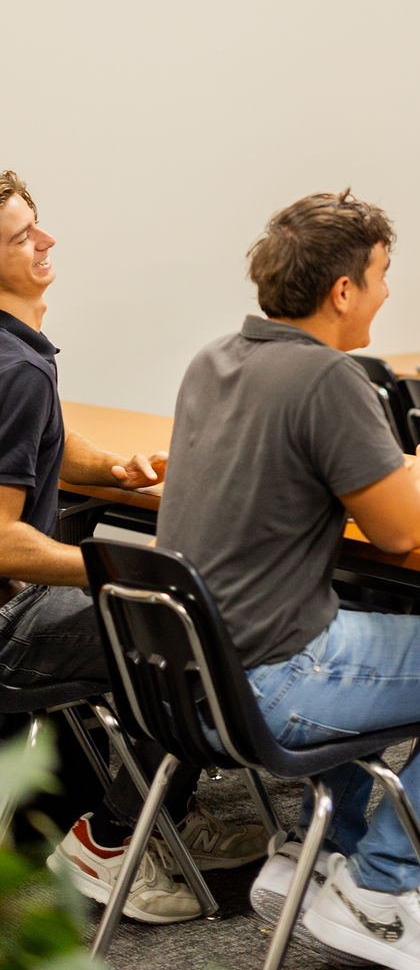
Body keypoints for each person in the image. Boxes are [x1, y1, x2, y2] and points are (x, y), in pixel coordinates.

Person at [156, 190, 420, 970]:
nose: (388, 290)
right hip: (279, 679)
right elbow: (400, 528)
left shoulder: (212, 360)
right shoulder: (330, 380)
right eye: (381, 274)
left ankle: (310, 852)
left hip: (191, 685)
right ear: (342, 291)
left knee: (381, 632)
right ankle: (381, 889)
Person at [0, 170, 265, 924]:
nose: (47, 241)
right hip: (6, 627)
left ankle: (160, 823)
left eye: (38, 224)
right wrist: (113, 572)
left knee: (163, 609)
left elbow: (40, 441)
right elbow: (5, 544)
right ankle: (114, 838)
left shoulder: (17, 356)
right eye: (22, 236)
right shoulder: (14, 369)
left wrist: (109, 467)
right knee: (195, 628)